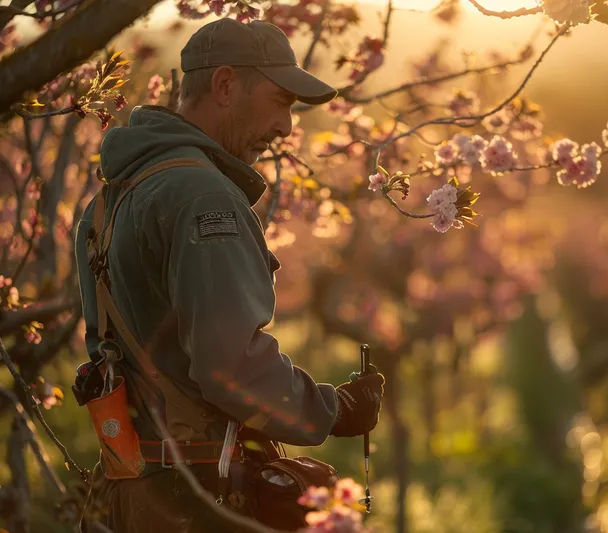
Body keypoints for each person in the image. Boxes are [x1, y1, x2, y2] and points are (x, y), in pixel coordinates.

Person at [75, 18, 385, 533]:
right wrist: (332, 409)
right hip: (199, 500)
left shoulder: (108, 201)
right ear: (224, 86)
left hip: (128, 494)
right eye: (281, 101)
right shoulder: (203, 197)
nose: (287, 127)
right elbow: (229, 366)